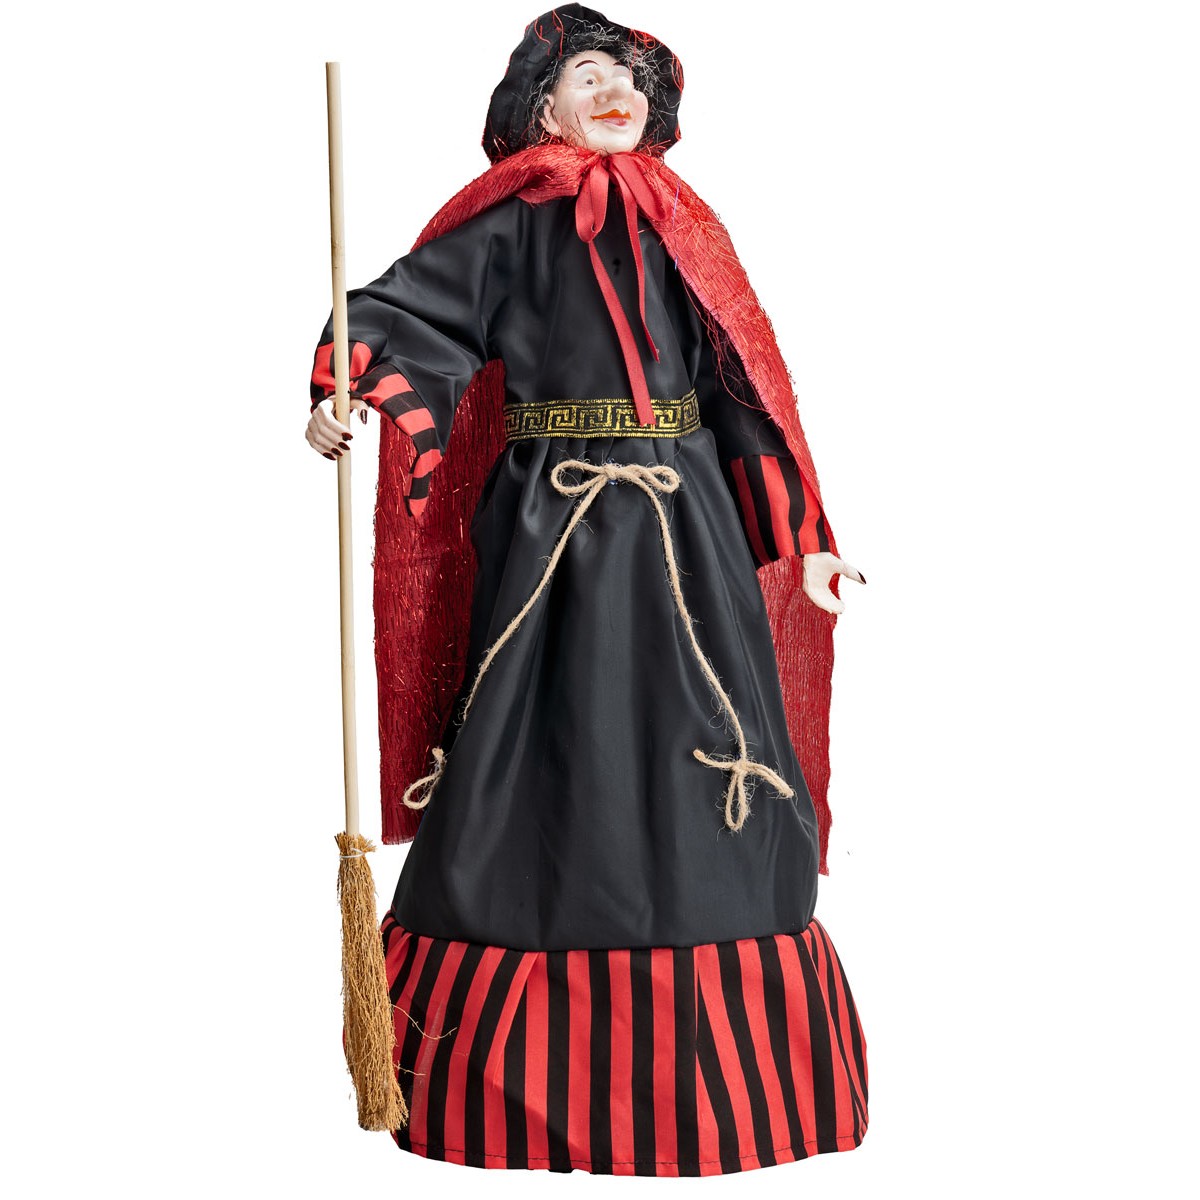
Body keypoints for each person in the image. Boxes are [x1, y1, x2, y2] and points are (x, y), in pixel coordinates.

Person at [307, 5, 868, 1176]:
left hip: (690, 530)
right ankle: (508, 1071)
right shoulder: (511, 220)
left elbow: (743, 390)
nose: (617, 91)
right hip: (554, 532)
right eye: (589, 75)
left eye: (632, 76)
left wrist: (801, 540)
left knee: (708, 738)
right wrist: (350, 388)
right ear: (540, 108)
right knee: (552, 738)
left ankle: (727, 1082)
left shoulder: (681, 227)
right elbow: (407, 316)